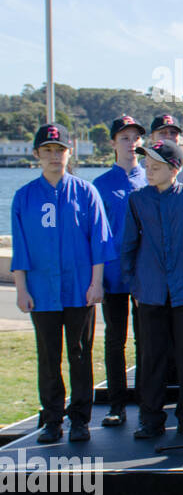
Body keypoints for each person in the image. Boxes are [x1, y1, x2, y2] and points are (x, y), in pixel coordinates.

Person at [12, 124, 113, 444]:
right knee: (48, 356)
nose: (54, 156)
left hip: (79, 289)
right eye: (47, 151)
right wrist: (21, 289)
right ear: (37, 155)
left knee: (80, 354)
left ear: (69, 153)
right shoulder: (24, 196)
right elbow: (21, 248)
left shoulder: (86, 192)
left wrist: (96, 284)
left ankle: (80, 419)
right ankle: (52, 419)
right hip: (42, 292)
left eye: (60, 150)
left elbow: (100, 241)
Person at [118, 140, 183, 440]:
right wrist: (134, 286)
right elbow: (128, 244)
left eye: (155, 167)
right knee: (151, 357)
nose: (148, 171)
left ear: (174, 169)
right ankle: (150, 417)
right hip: (150, 290)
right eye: (147, 166)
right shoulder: (137, 200)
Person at [94, 115, 148, 428]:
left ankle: (146, 405)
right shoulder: (100, 186)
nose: (131, 144)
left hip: (144, 276)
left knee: (147, 342)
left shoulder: (150, 178)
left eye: (135, 138)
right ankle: (117, 405)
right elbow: (96, 236)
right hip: (113, 276)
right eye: (125, 138)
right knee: (115, 341)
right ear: (113, 143)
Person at [149, 114, 183, 189]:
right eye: (163, 133)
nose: (169, 136)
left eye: (173, 132)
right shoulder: (143, 167)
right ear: (152, 137)